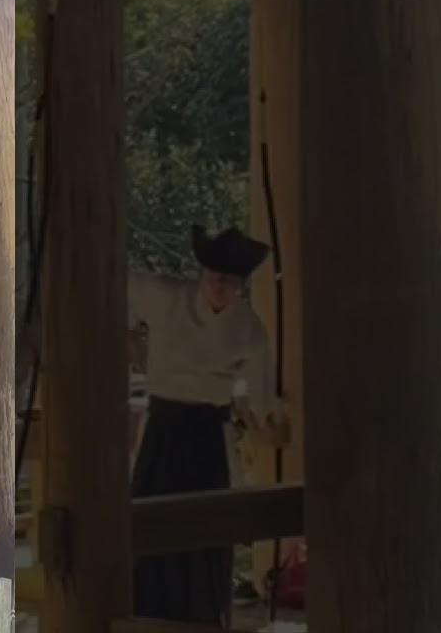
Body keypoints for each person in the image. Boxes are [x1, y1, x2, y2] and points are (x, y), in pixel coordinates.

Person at [130, 225, 288, 627]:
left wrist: (268, 423)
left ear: (240, 285)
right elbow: (117, 291)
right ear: (201, 273)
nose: (221, 286)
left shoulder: (249, 328)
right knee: (149, 522)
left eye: (231, 280)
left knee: (209, 530)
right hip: (162, 428)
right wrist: (130, 340)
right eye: (216, 276)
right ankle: (143, 612)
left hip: (207, 436)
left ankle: (204, 616)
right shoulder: (166, 296)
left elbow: (260, 395)